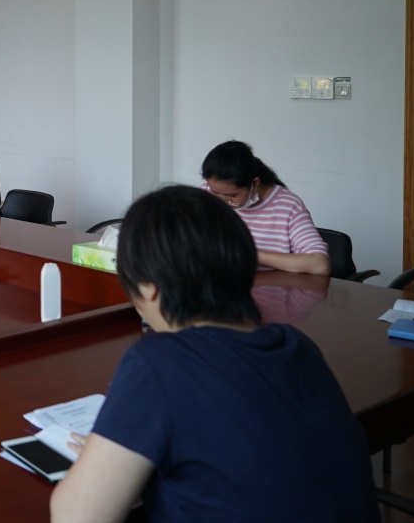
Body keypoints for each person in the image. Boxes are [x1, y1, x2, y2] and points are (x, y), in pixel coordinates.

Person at [49, 185, 379, 523]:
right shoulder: (297, 346)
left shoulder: (158, 362)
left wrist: (102, 464)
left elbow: (75, 518)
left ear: (149, 287)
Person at [200, 140, 330, 275]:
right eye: (215, 192)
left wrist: (249, 253)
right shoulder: (205, 196)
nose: (222, 202)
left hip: (268, 285)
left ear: (255, 183)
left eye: (232, 195)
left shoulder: (288, 206)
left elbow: (320, 265)